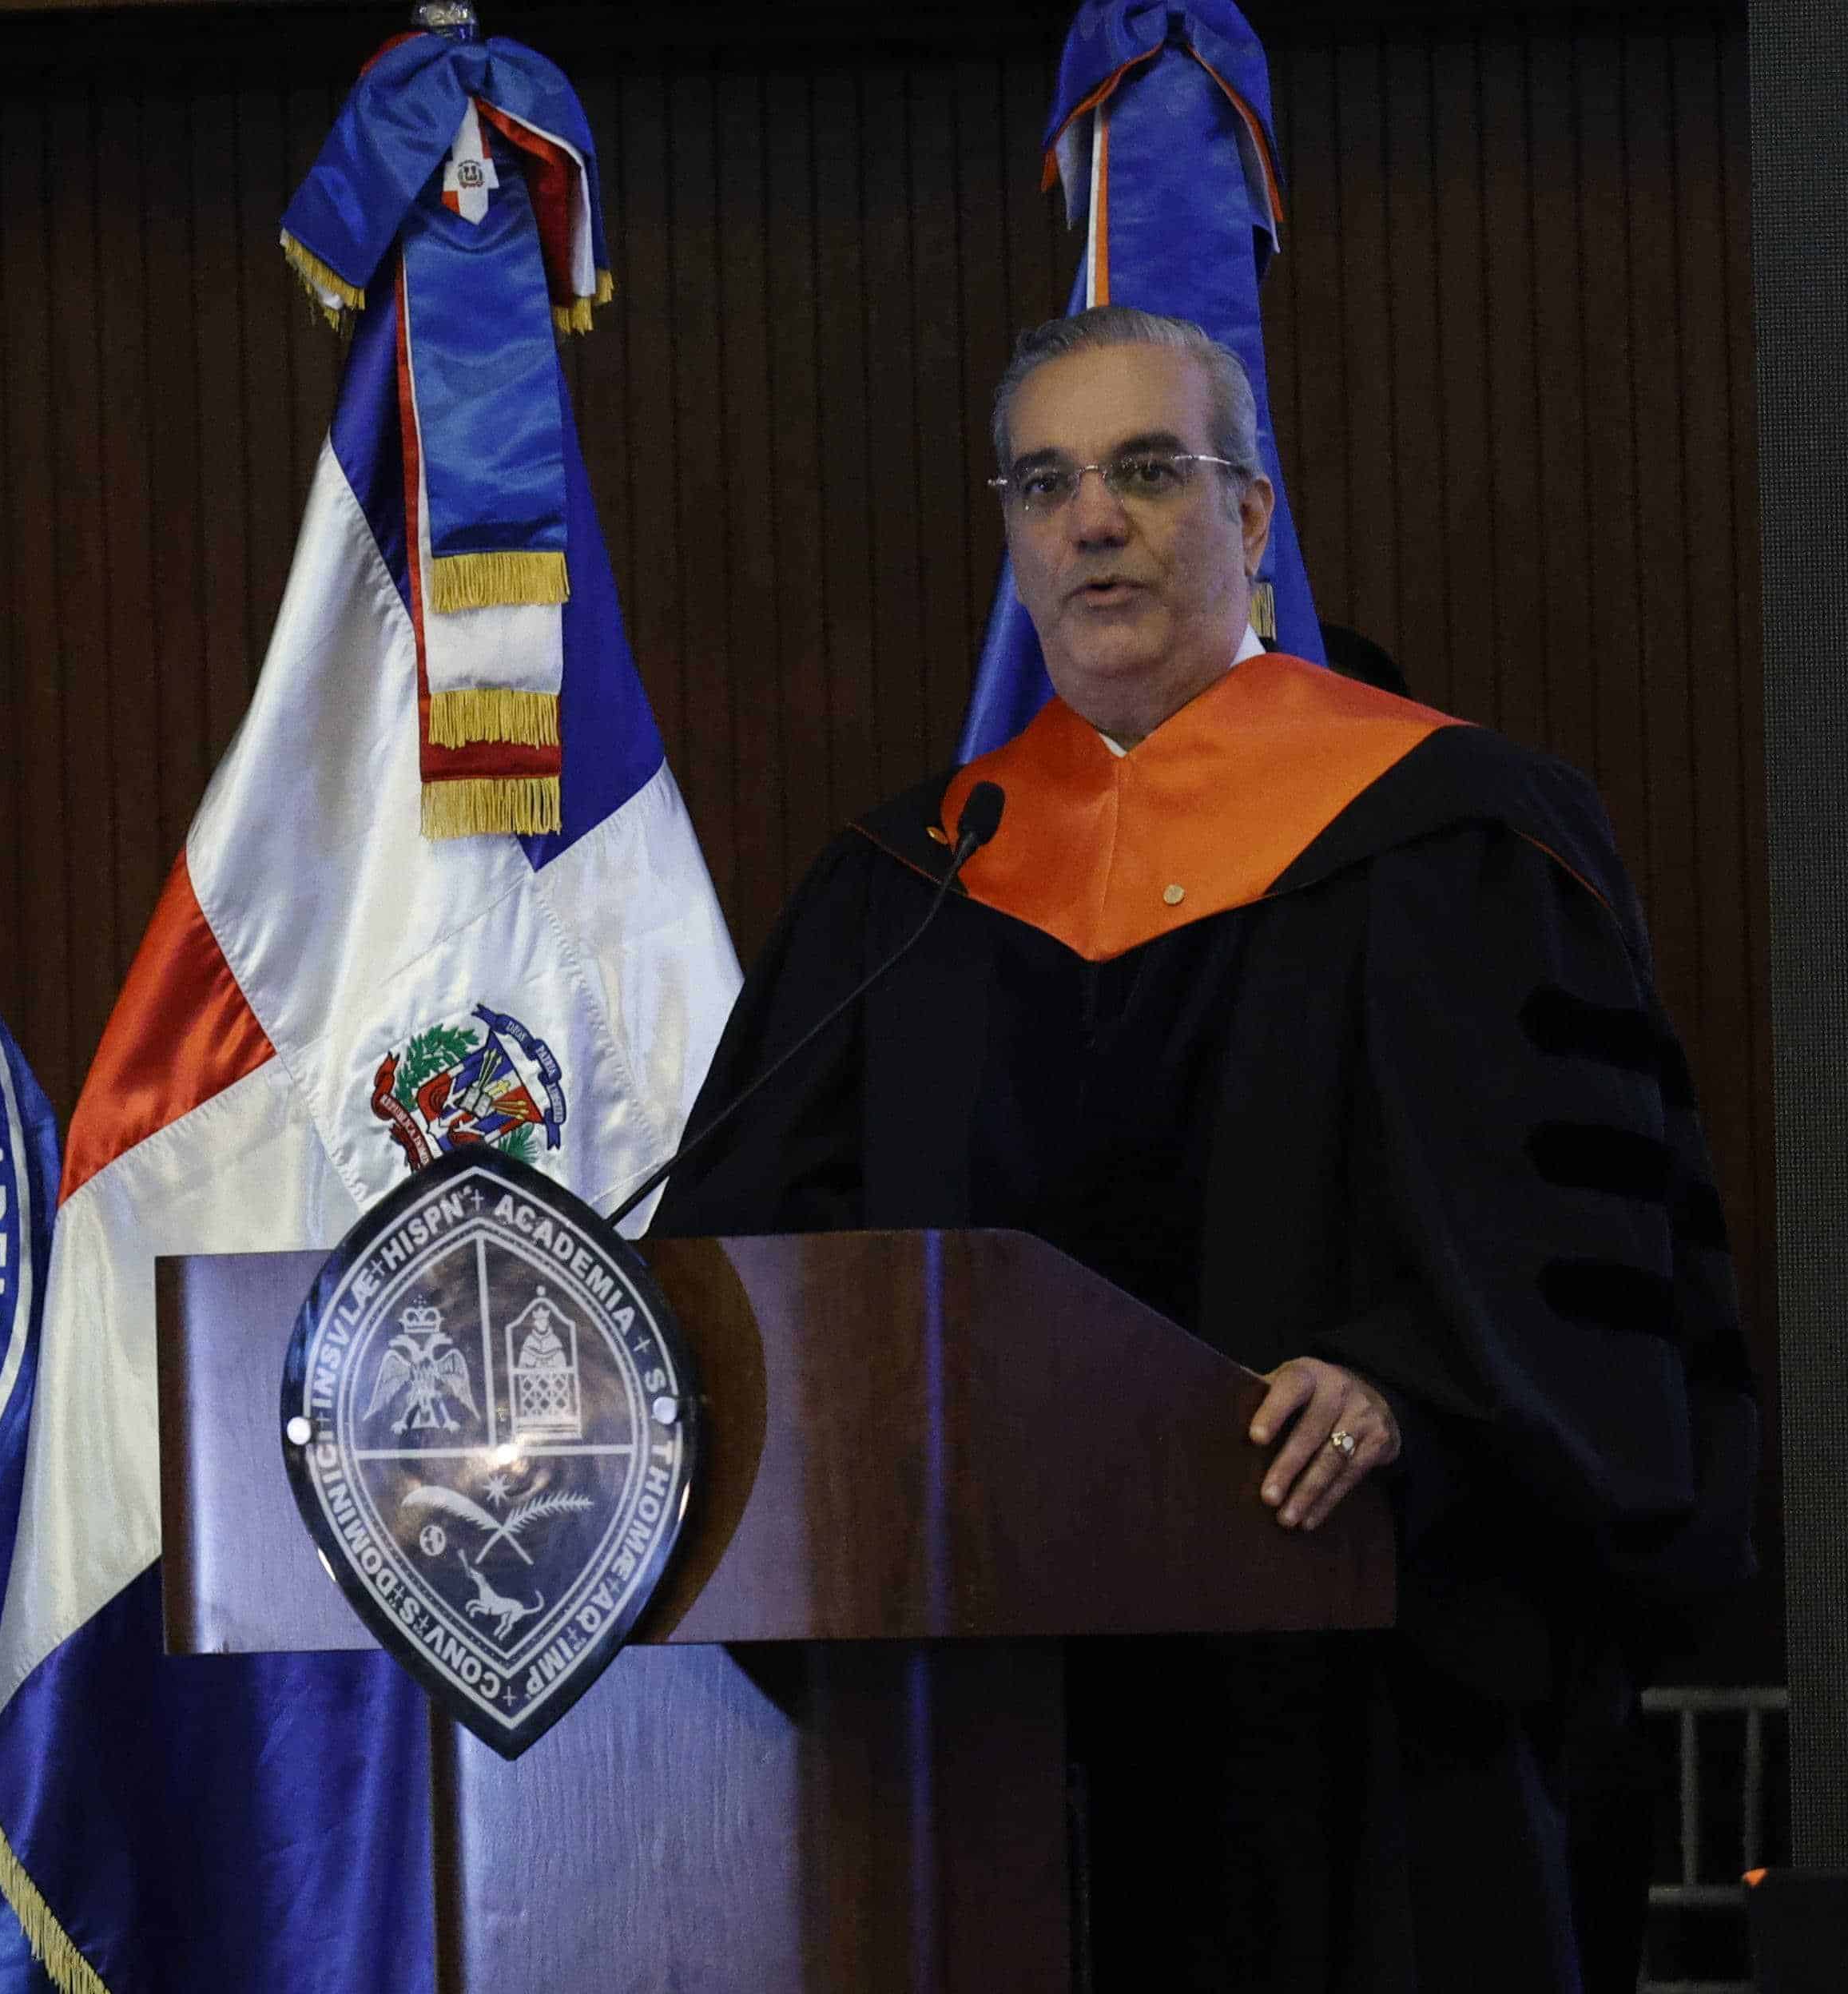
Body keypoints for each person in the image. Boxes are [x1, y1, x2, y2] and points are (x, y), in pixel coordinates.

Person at [652, 305, 1757, 1991]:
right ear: (1016, 538)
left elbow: (1580, 1249)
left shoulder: (1454, 838)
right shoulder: (911, 888)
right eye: (1046, 482)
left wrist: (1416, 1392)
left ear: (1249, 519)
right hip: (986, 1728)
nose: (1094, 518)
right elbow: (761, 1269)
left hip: (1362, 1706)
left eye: (1149, 471)